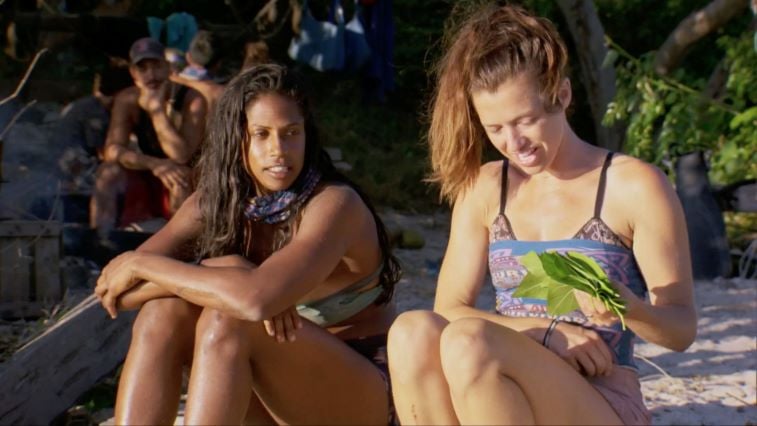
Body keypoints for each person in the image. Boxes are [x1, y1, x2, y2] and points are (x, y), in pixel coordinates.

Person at [386, 4, 697, 425]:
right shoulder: (485, 188)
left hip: (601, 398)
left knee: (470, 343)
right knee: (411, 331)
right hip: (500, 391)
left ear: (562, 95)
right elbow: (449, 309)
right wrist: (548, 332)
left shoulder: (633, 185)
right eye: (496, 129)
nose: (515, 143)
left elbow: (680, 330)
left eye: (526, 120)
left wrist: (632, 308)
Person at [94, 63, 401, 425]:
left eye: (291, 133)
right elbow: (118, 293)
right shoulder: (216, 202)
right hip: (266, 391)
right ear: (236, 137)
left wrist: (143, 264)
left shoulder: (334, 205)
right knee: (162, 311)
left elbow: (255, 301)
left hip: (359, 393)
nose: (279, 150)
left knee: (231, 317)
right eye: (261, 134)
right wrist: (229, 270)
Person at [90, 37, 207, 239]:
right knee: (107, 173)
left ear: (168, 67)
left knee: (179, 179)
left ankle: (178, 245)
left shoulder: (192, 99)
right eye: (142, 69)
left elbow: (182, 155)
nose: (151, 75)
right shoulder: (127, 99)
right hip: (150, 171)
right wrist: (155, 164)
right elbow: (112, 150)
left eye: (156, 66)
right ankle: (99, 242)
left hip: (189, 175)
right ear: (133, 73)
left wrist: (156, 111)